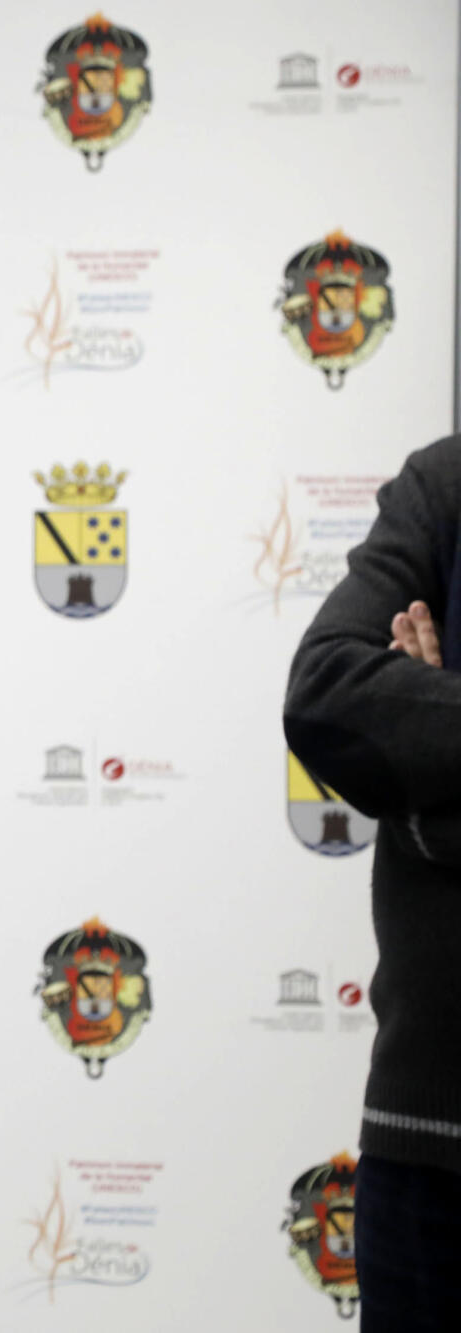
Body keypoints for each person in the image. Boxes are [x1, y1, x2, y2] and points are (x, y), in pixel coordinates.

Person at [284, 436, 461, 1332]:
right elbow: (325, 689)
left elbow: (391, 719)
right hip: (431, 1161)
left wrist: (432, 772)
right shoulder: (445, 485)